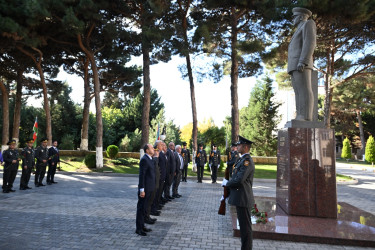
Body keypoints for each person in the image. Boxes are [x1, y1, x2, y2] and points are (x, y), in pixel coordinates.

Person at [225, 136, 255, 250]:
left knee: (246, 228)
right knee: (243, 228)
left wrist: (227, 184)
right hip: (240, 198)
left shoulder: (247, 161)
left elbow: (239, 179)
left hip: (243, 199)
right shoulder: (242, 159)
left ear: (245, 147)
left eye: (239, 145)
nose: (237, 146)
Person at [287, 7, 316, 121]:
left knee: (304, 89)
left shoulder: (308, 24)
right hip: (294, 64)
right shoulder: (298, 29)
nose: (293, 19)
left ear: (300, 16)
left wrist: (303, 60)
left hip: (301, 63)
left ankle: (306, 116)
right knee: (298, 91)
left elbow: (310, 42)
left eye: (294, 16)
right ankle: (300, 114)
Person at [135, 144, 156, 236]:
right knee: (141, 209)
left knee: (145, 209)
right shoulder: (144, 160)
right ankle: (138, 229)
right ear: (147, 150)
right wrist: (142, 190)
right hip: (145, 189)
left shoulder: (150, 159)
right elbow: (142, 176)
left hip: (150, 188)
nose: (153, 149)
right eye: (151, 148)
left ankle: (142, 225)